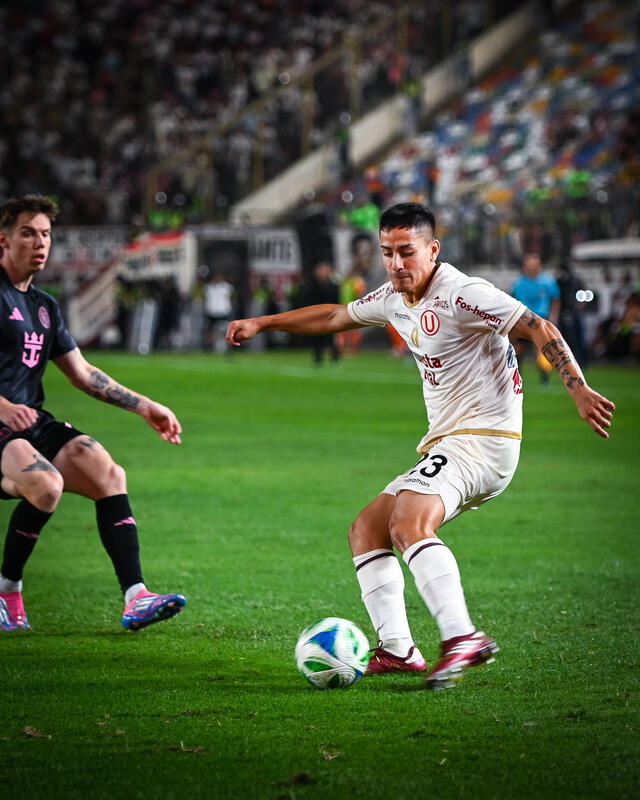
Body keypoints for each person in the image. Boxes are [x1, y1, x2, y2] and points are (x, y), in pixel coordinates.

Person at [226, 202, 614, 689]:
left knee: (410, 521)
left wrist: (576, 387)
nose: (395, 263)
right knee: (366, 529)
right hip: (452, 442)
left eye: (406, 252)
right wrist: (263, 323)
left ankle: (462, 636)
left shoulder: (463, 293)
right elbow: (333, 316)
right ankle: (398, 648)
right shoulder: (393, 297)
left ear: (433, 249)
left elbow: (538, 326)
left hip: (485, 440)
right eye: (388, 252)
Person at [0, 195, 186, 633]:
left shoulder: (44, 306)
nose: (39, 242)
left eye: (45, 234)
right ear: (3, 239)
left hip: (29, 421)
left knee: (107, 473)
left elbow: (83, 374)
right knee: (46, 486)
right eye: (28, 233)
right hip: (3, 421)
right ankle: (8, 590)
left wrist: (146, 406)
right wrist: (5, 407)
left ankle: (136, 596)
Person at [511, 252, 561, 383]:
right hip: (523, 319)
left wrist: (553, 315)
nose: (531, 268)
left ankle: (544, 376)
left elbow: (556, 299)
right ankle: (517, 374)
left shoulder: (548, 281)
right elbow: (513, 300)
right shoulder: (519, 283)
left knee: (542, 348)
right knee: (518, 347)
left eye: (534, 265)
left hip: (541, 318)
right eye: (528, 265)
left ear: (539, 266)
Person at [304, 262, 341, 366]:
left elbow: (337, 301)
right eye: (321, 270)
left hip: (330, 315)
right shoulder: (311, 286)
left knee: (332, 338)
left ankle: (335, 359)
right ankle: (318, 359)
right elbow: (308, 301)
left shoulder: (334, 286)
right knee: (317, 337)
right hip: (316, 316)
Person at [203, 273, 234, 352]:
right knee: (210, 331)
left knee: (225, 330)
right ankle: (209, 347)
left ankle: (227, 347)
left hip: (223, 311)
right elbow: (205, 299)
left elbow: (231, 298)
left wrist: (230, 307)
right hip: (211, 311)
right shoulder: (208, 287)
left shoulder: (227, 287)